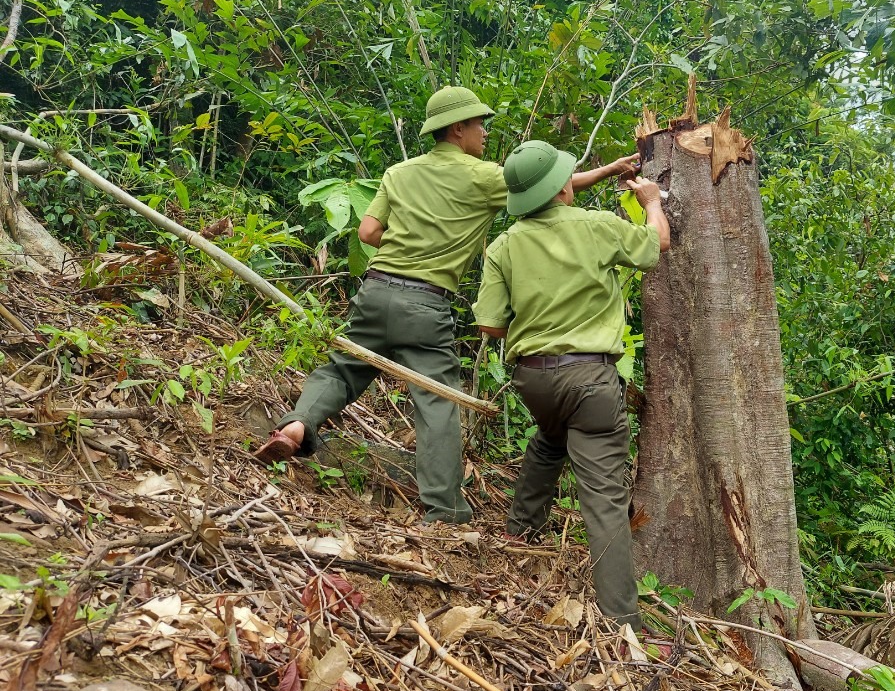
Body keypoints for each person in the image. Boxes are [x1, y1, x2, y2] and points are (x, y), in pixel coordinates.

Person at [253, 88, 638, 525]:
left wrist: (406, 246)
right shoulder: (484, 177)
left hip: (376, 289)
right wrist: (608, 171)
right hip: (425, 303)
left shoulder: (399, 172)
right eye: (479, 125)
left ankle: (298, 424)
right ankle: (444, 510)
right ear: (458, 129)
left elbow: (367, 231)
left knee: (342, 369)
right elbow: (548, 188)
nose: (484, 133)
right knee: (436, 400)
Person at [473, 140, 671, 629]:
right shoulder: (596, 227)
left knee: (551, 439)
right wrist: (651, 203)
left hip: (534, 380)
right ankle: (623, 620)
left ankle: (519, 532)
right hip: (590, 379)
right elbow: (656, 247)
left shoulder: (503, 245)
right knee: (603, 497)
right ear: (562, 186)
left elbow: (491, 327)